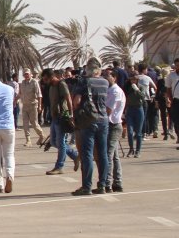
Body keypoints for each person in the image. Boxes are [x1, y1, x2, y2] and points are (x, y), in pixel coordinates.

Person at [72, 67, 110, 195]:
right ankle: (103, 185)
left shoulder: (84, 82)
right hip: (103, 119)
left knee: (87, 153)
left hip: (88, 120)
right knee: (103, 153)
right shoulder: (105, 82)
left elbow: (76, 102)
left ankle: (87, 186)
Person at [44, 69, 79, 175]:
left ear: (51, 77)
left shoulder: (61, 84)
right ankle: (75, 155)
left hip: (62, 117)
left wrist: (71, 115)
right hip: (54, 118)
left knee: (61, 143)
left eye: (46, 79)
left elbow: (68, 99)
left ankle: (59, 167)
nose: (45, 81)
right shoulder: (51, 87)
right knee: (53, 142)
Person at [105, 70, 126, 192]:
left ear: (114, 77)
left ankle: (107, 183)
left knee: (108, 155)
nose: (105, 78)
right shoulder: (109, 90)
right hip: (110, 125)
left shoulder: (115, 91)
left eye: (108, 76)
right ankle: (117, 182)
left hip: (113, 125)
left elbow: (108, 110)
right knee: (114, 156)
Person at [19, 69, 45, 146]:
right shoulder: (22, 83)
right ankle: (28, 140)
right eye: (25, 74)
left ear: (31, 74)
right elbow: (20, 93)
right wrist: (14, 101)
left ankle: (41, 135)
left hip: (33, 105)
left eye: (27, 74)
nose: (26, 75)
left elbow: (39, 95)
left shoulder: (34, 82)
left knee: (34, 123)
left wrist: (39, 106)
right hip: (25, 106)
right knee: (25, 124)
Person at [124, 73, 146, 158]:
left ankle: (138, 150)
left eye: (135, 79)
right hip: (130, 109)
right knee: (130, 132)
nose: (133, 81)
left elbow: (143, 97)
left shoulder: (141, 87)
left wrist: (137, 90)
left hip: (138, 109)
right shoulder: (127, 87)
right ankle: (131, 149)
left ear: (137, 80)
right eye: (132, 79)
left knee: (138, 132)